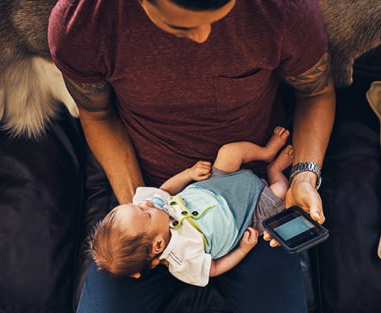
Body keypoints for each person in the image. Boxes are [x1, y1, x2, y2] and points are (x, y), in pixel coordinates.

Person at [48, 0, 336, 311]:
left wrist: (305, 176)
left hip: (253, 197)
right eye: (181, 26)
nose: (203, 37)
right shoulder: (83, 23)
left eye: (220, 15)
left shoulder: (282, 9)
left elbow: (316, 92)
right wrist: (137, 209)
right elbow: (97, 114)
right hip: (146, 198)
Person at [91, 127, 294, 287]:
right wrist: (242, 250)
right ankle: (274, 168)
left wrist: (188, 174)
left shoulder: (151, 207)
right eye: (146, 212)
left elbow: (165, 189)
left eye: (135, 206)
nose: (145, 203)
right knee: (280, 192)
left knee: (230, 152)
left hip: (216, 185)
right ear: (158, 245)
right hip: (245, 215)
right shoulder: (182, 261)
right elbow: (213, 268)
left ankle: (266, 153)